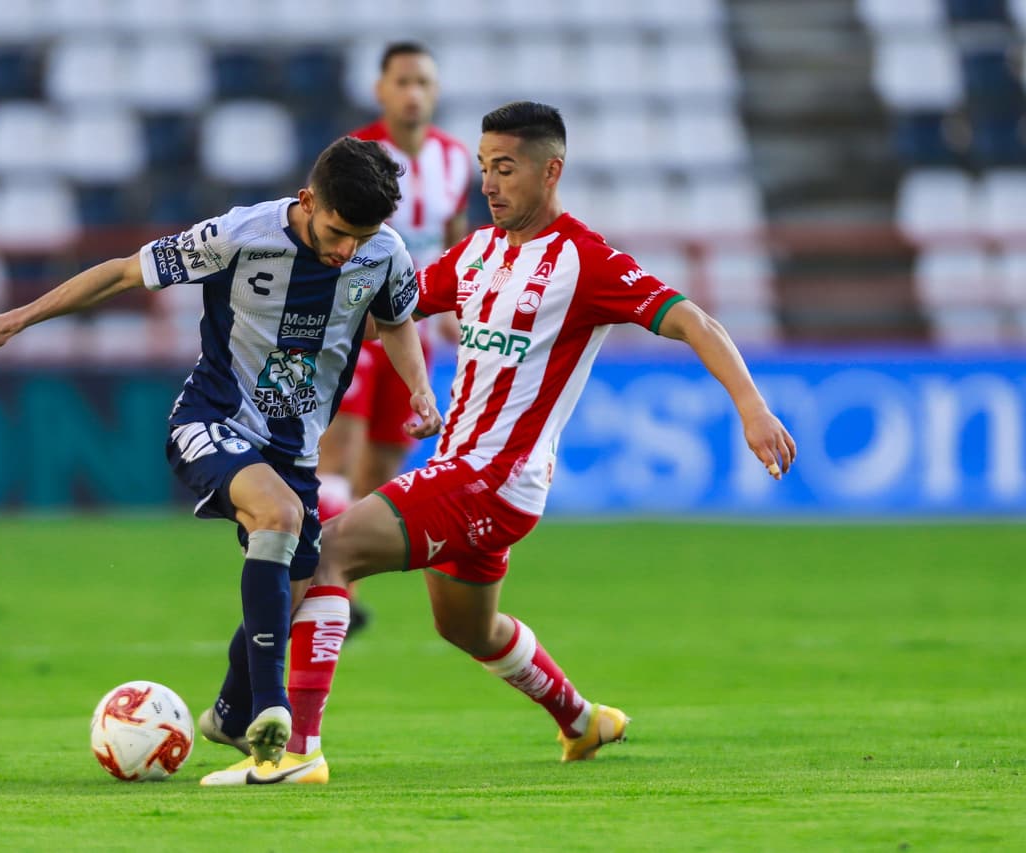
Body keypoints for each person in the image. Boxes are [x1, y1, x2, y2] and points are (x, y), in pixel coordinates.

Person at [199, 102, 797, 785]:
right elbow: (381, 314)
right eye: (484, 167)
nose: (489, 183)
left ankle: (297, 753)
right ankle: (582, 721)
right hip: (463, 473)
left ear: (552, 172)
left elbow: (692, 319)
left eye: (506, 168)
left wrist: (751, 406)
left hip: (495, 477)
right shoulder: (477, 253)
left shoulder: (584, 261)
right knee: (467, 628)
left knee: (327, 551)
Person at [0, 136, 442, 766]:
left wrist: (420, 389)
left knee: (299, 586)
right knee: (279, 517)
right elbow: (124, 272)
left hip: (298, 448)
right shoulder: (240, 234)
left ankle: (230, 715)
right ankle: (270, 707)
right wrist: (15, 319)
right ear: (308, 200)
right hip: (212, 420)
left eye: (361, 238)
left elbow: (396, 321)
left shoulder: (384, 254)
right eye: (339, 231)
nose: (347, 251)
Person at [317, 42, 471, 636]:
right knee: (336, 456)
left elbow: (456, 241)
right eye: (403, 81)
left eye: (424, 82)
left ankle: (338, 578)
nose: (414, 93)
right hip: (353, 328)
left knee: (380, 466)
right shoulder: (355, 158)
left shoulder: (455, 159)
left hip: (416, 332)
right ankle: (327, 587)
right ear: (381, 90)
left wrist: (456, 312)